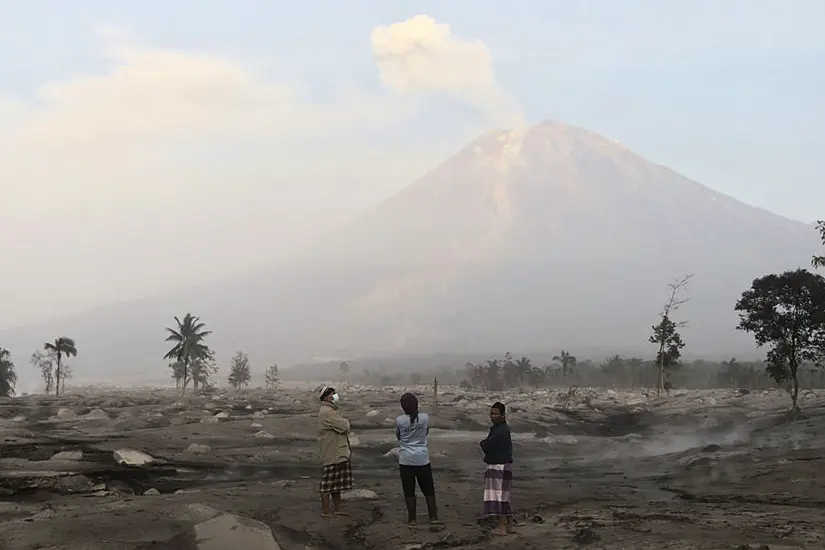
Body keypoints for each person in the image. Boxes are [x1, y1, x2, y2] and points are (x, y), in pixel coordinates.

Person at [395, 392, 442, 525]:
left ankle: (412, 519)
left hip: (405, 459)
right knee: (428, 489)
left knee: (409, 490)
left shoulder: (400, 420)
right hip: (422, 458)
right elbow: (426, 432)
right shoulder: (425, 418)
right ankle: (433, 517)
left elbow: (399, 437)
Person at [318, 385, 353, 518]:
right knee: (328, 482)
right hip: (332, 450)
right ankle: (326, 511)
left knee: (336, 483)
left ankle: (337, 509)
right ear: (327, 397)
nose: (335, 395)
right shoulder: (327, 412)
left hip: (336, 449)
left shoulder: (329, 411)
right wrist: (346, 422)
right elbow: (344, 426)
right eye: (333, 393)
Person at [479, 401, 513, 536]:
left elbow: (486, 445)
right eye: (491, 413)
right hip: (503, 465)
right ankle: (508, 525)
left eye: (495, 413)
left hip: (499, 466)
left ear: (503, 415)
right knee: (504, 497)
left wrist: (482, 443)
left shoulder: (500, 431)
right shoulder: (501, 428)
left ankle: (502, 528)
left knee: (499, 497)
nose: (492, 416)